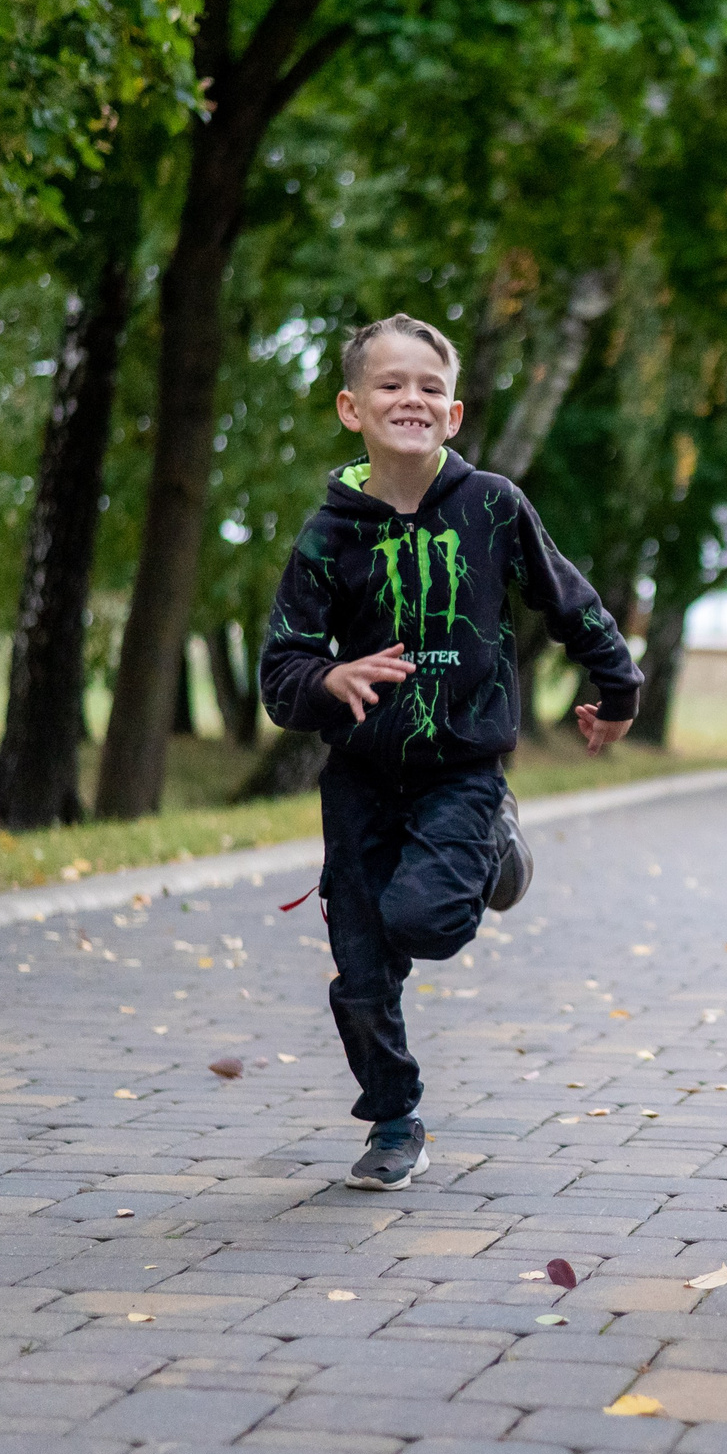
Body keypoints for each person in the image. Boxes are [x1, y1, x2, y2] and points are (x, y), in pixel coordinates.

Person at [261, 314, 641, 1191]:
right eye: (391, 384)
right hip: (360, 778)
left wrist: (619, 688)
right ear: (351, 408)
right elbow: (281, 671)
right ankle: (394, 1119)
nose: (412, 399)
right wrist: (331, 677)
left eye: (430, 386)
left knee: (423, 920)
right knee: (361, 973)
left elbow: (568, 598)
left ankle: (494, 843)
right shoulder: (328, 534)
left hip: (462, 770)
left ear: (455, 411)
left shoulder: (492, 505)